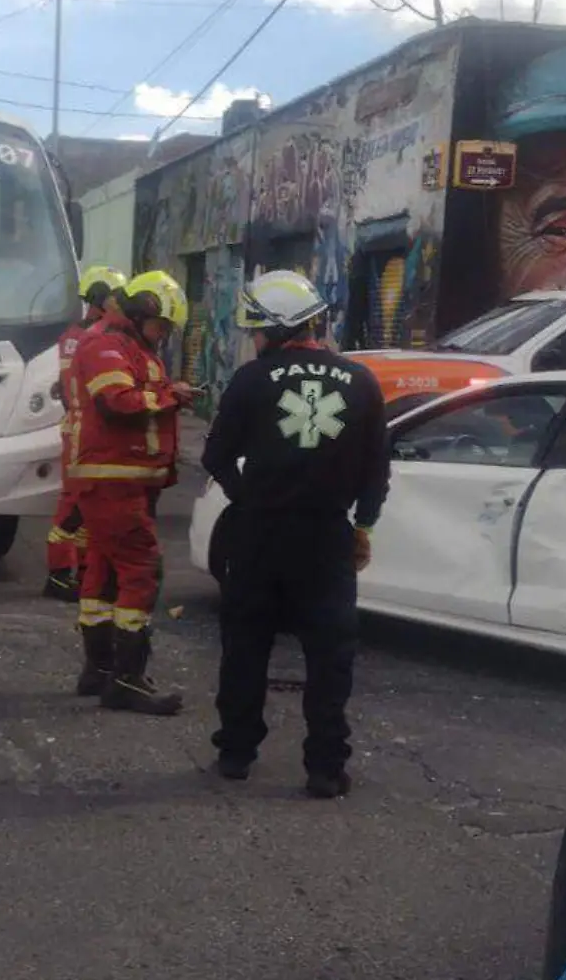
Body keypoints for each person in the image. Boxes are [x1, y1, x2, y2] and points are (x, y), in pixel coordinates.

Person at [201, 270, 391, 799]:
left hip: (259, 535)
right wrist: (364, 527)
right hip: (327, 539)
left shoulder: (251, 380)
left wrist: (250, 498)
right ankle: (325, 768)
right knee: (329, 657)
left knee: (246, 645)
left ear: (278, 328)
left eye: (257, 329)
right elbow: (377, 471)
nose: (254, 339)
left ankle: (236, 752)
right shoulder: (363, 382)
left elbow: (215, 455)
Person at [67, 270, 198, 715]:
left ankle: (99, 671)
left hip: (120, 479)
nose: (163, 337)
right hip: (114, 479)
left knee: (103, 573)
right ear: (143, 310)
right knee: (142, 568)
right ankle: (127, 679)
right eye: (161, 326)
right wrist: (171, 397)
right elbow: (118, 401)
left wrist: (166, 392)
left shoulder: (124, 344)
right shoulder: (106, 343)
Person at [43, 265, 128, 603]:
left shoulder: (85, 335)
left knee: (89, 504)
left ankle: (80, 570)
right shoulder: (82, 338)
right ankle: (59, 574)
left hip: (85, 427)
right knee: (75, 502)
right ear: (101, 299)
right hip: (81, 429)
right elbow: (72, 391)